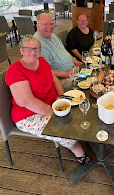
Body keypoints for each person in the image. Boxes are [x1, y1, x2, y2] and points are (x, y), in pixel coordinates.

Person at [5, 36, 90, 165]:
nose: (34, 52)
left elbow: (54, 79)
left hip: (52, 103)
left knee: (81, 105)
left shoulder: (42, 61)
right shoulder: (15, 71)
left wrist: (63, 98)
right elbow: (28, 102)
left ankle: (78, 138)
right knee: (62, 126)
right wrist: (55, 112)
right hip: (29, 114)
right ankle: (79, 152)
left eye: (37, 48)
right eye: (29, 49)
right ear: (21, 50)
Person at [34, 13, 83, 89]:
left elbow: (64, 51)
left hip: (72, 70)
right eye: (46, 24)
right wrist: (67, 74)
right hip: (61, 79)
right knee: (87, 84)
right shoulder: (38, 44)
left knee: (93, 74)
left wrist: (75, 60)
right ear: (38, 26)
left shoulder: (52, 35)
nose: (49, 27)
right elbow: (46, 71)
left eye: (51, 24)